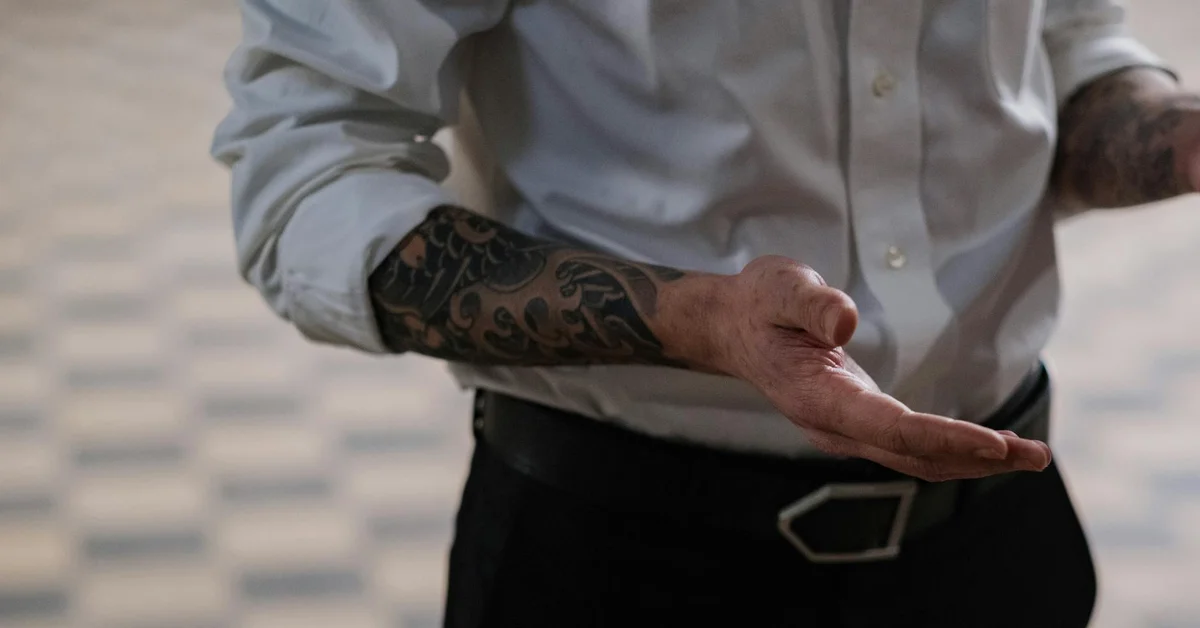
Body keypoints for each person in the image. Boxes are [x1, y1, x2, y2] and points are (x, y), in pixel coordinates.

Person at [212, 1, 1200, 626]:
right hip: (630, 558)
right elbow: (307, 173)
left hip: (1002, 540)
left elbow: (1058, 48)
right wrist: (693, 320)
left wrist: (1179, 136)